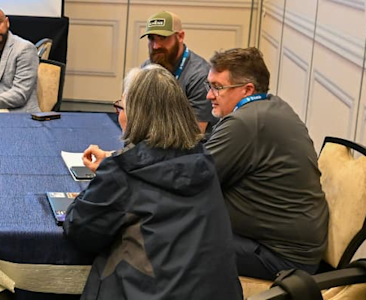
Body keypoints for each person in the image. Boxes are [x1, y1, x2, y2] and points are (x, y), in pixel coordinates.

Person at [63, 65, 242, 299]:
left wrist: (111, 170)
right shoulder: (203, 160)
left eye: (121, 107)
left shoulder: (125, 172)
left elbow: (81, 230)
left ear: (136, 116)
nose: (119, 116)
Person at [205, 47, 328, 280]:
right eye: (209, 85)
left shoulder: (244, 123)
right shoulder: (272, 105)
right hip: (291, 245)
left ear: (247, 89)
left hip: (281, 257)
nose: (209, 95)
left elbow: (193, 180)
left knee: (174, 234)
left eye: (217, 87)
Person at [140, 11, 216, 138]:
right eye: (151, 38)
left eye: (162, 38)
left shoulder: (200, 75)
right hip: (154, 138)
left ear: (180, 36)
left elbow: (194, 133)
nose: (156, 46)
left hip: (188, 145)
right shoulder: (147, 68)